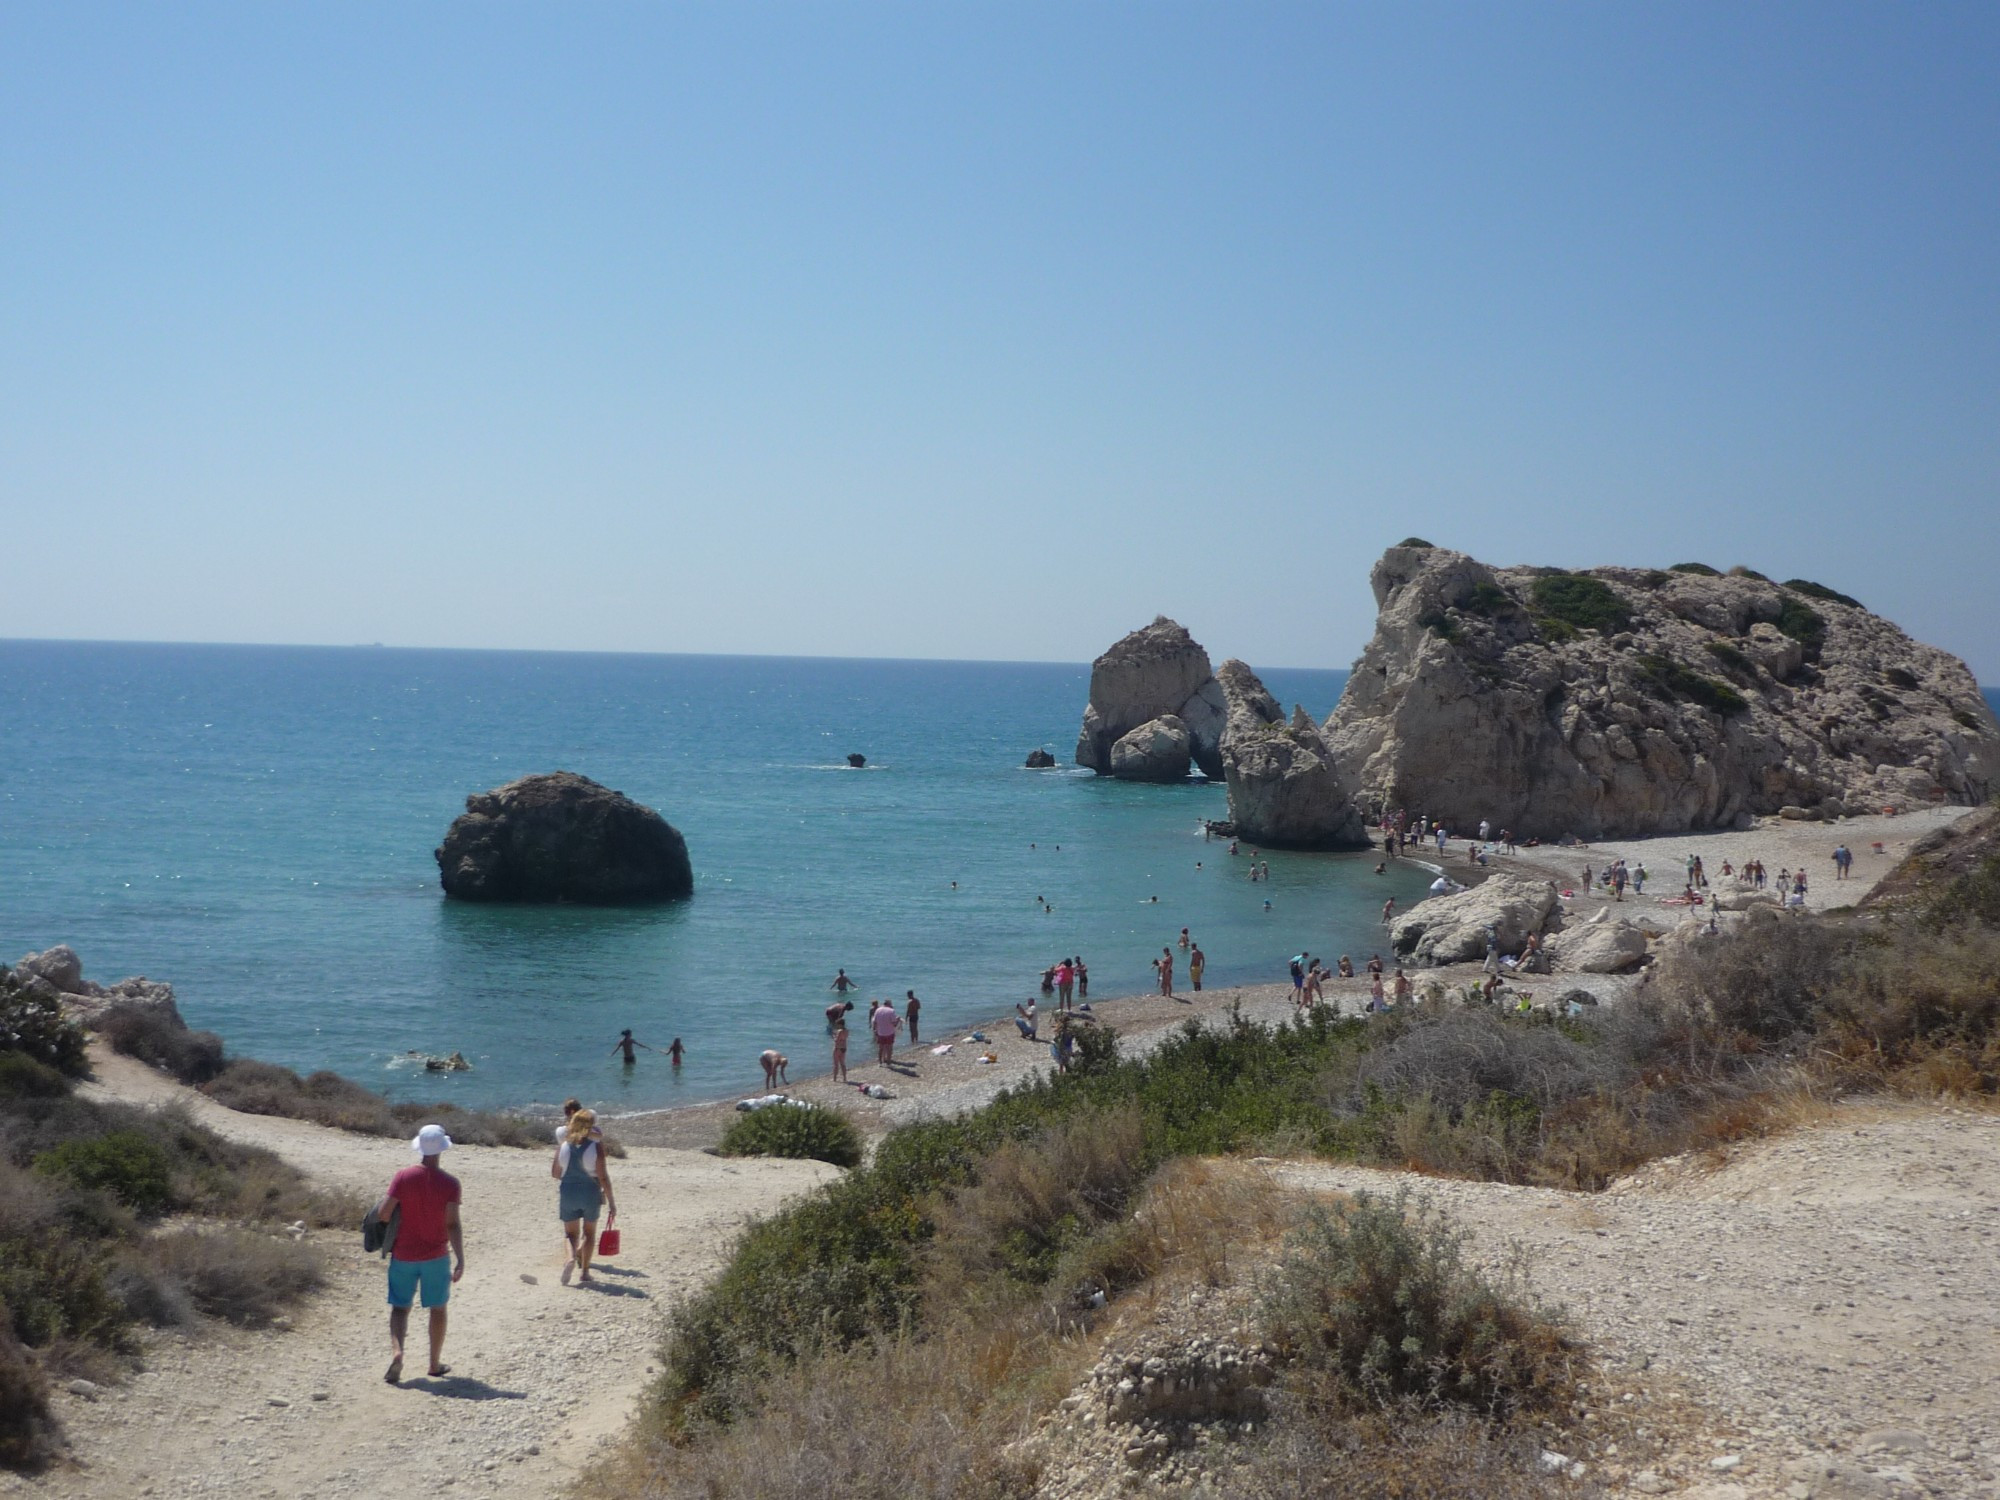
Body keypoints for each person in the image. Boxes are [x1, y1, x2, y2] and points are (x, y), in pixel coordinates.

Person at [375, 1123, 463, 1383]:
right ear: (441, 1150)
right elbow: (453, 1224)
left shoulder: (403, 1177)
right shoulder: (450, 1184)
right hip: (436, 1255)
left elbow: (384, 1213)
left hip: (403, 1254)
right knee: (438, 1308)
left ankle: (398, 1352)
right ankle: (434, 1364)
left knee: (400, 1308)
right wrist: (460, 1259)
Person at [551, 1108, 615, 1288]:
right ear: (590, 1127)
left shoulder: (562, 1146)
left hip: (568, 1191)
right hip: (590, 1192)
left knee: (570, 1234)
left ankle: (570, 1258)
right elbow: (603, 1176)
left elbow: (555, 1173)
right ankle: (585, 1272)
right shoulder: (596, 1147)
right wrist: (611, 1201)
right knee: (589, 1234)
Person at [872, 999, 901, 1064]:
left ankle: (880, 1062)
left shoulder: (877, 1010)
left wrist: (875, 1030)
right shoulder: (891, 1011)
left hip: (880, 1033)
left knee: (881, 1048)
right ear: (889, 1004)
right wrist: (898, 1019)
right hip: (889, 1033)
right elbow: (894, 1024)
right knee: (889, 1048)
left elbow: (874, 1022)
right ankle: (888, 1062)